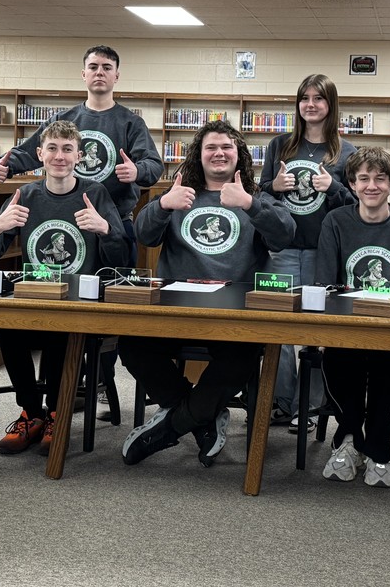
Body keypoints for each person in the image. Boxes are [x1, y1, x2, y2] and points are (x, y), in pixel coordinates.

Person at [119, 119, 295, 468]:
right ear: (198, 156)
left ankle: (173, 425)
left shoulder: (253, 196)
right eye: (210, 147)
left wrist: (249, 204)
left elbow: (285, 234)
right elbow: (144, 235)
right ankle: (202, 416)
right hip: (176, 311)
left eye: (226, 147)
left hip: (233, 315)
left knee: (242, 358)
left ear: (238, 155)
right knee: (132, 344)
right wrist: (163, 205)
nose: (219, 153)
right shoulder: (179, 190)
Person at [0, 120, 129, 457]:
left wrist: (105, 229)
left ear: (79, 156)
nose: (60, 156)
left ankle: (58, 412)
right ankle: (31, 413)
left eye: (67, 149)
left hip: (77, 305)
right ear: (40, 154)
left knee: (63, 329)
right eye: (53, 148)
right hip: (34, 301)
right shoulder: (25, 194)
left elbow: (121, 262)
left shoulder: (95, 194)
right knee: (7, 324)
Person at [313, 146, 390, 488]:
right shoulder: (336, 221)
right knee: (339, 356)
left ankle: (378, 444)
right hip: (347, 325)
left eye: (380, 178)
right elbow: (325, 281)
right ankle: (348, 439)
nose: (372, 185)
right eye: (363, 178)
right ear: (351, 184)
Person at [0, 45, 163, 266]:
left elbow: (154, 165)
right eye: (93, 67)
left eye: (107, 67)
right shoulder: (63, 119)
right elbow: (30, 152)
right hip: (67, 218)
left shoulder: (131, 122)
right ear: (84, 74)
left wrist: (138, 170)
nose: (99, 72)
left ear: (116, 76)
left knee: (118, 282)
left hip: (113, 221)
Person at [258, 73, 356, 433]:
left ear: (331, 105)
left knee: (315, 329)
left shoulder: (346, 153)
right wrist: (274, 185)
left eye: (319, 98)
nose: (311, 104)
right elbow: (261, 195)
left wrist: (334, 187)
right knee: (278, 326)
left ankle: (310, 406)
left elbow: (355, 206)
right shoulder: (279, 145)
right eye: (304, 98)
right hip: (281, 249)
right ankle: (282, 401)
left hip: (323, 252)